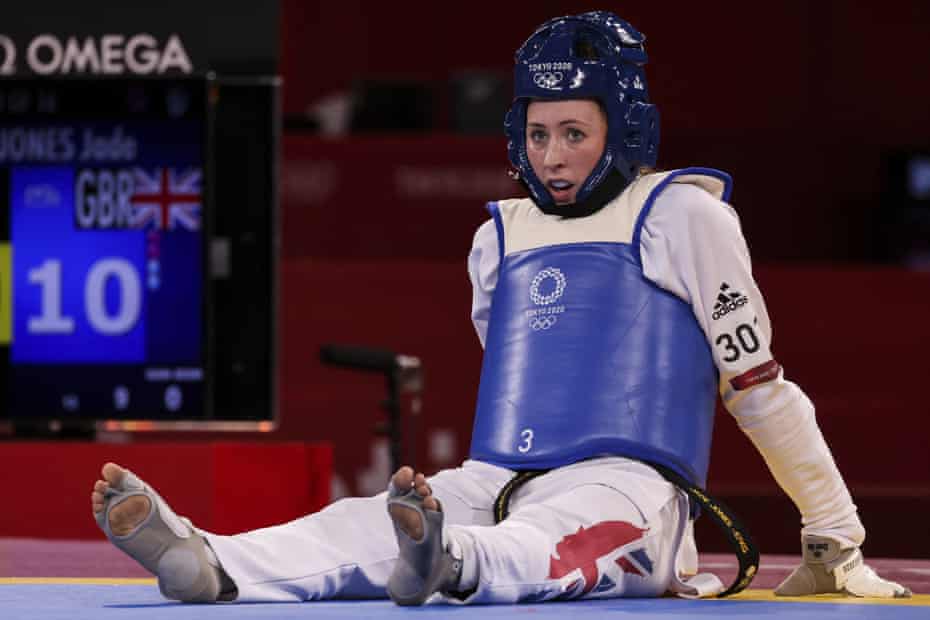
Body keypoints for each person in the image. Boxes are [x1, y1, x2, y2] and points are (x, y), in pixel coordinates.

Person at [91, 11, 911, 606]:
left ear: (625, 130)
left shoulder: (687, 215)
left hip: (629, 489)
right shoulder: (499, 238)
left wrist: (833, 535)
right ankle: (216, 561)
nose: (552, 157)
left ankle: (450, 563)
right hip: (497, 474)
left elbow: (758, 389)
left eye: (575, 134)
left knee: (552, 542)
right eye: (539, 134)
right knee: (365, 519)